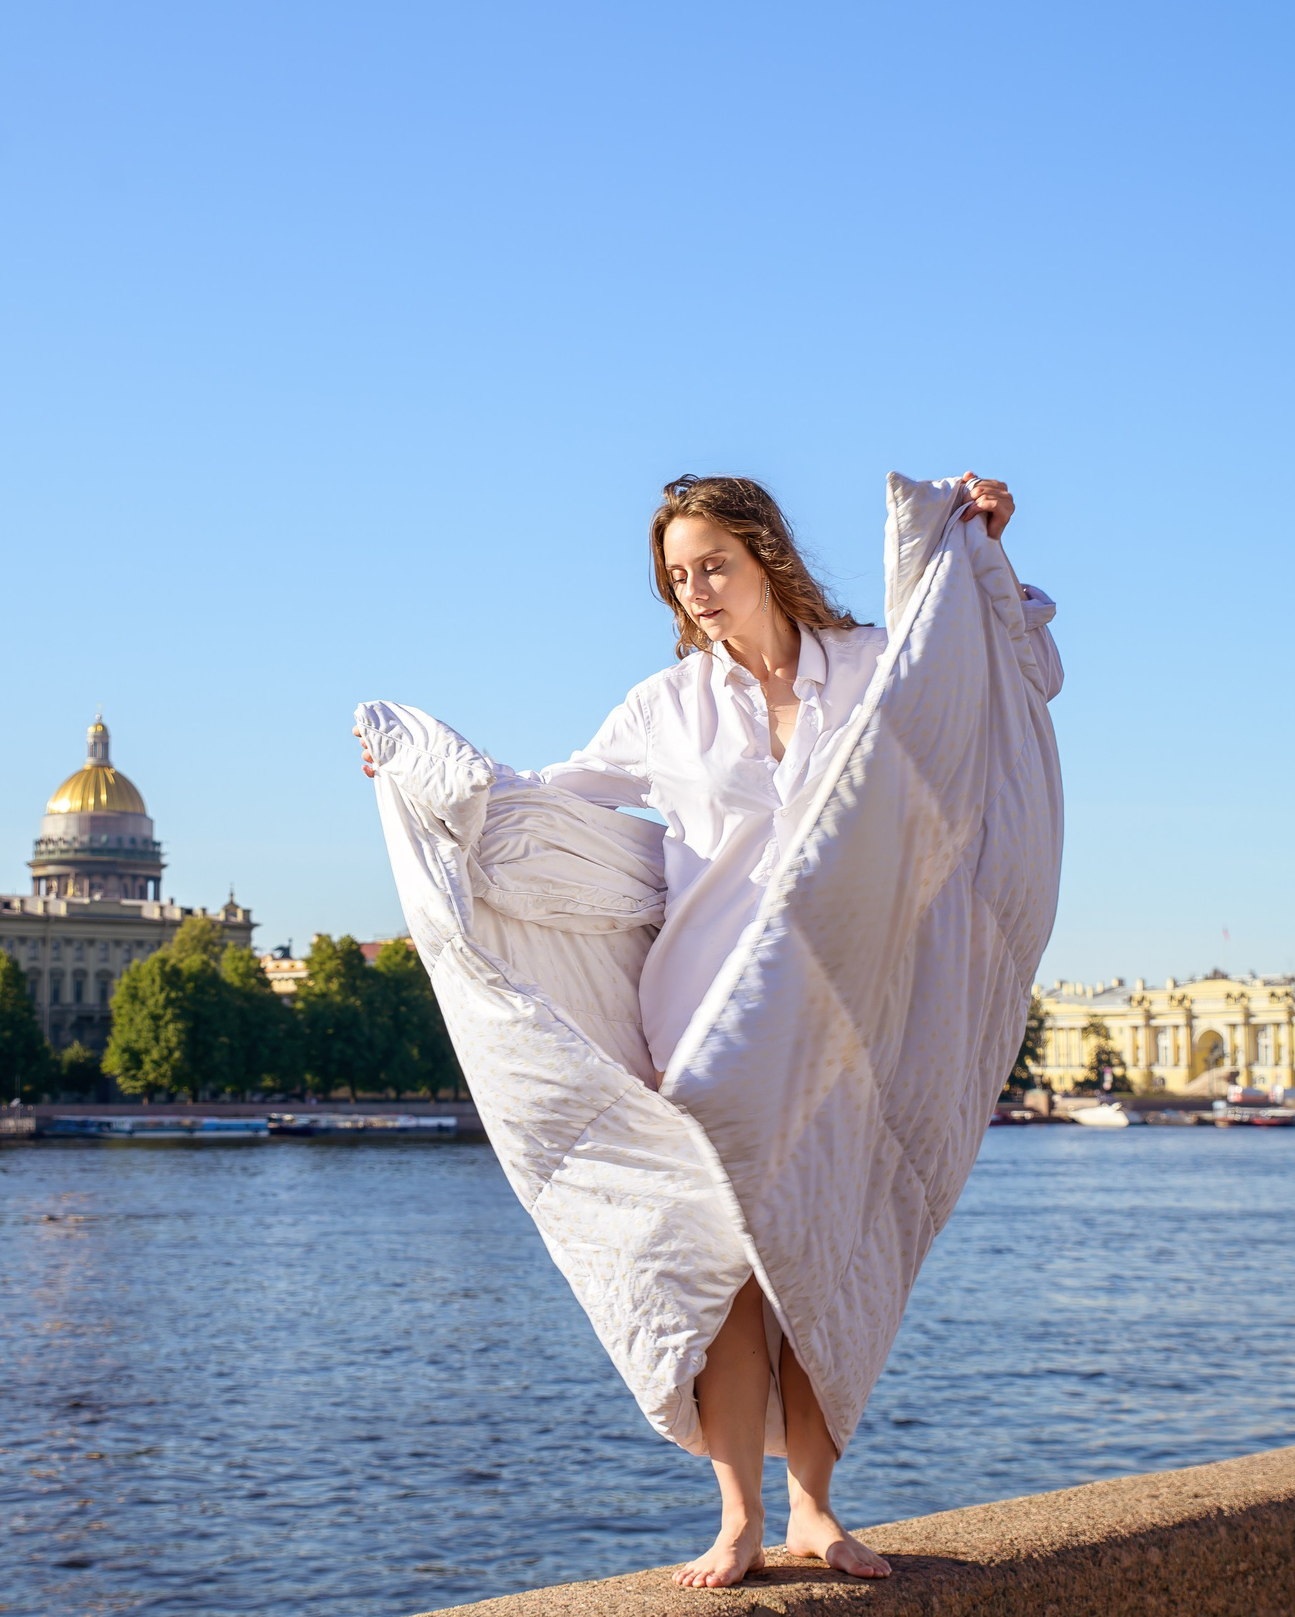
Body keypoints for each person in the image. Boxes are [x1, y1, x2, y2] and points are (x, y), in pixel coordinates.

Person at [362, 470, 1045, 1588]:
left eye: (711, 566)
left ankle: (815, 1512)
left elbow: (1008, 677)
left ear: (765, 555)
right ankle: (736, 1518)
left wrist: (982, 554)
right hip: (703, 1008)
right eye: (677, 579)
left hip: (839, 1009)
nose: (696, 592)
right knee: (727, 1270)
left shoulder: (873, 669)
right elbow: (532, 808)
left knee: (820, 1250)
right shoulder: (665, 707)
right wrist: (416, 777)